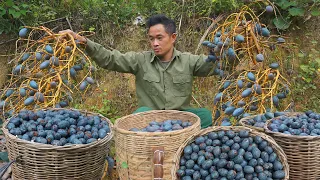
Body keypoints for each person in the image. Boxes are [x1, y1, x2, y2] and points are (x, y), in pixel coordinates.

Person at [59, 14, 218, 129]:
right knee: (138, 114)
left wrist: (230, 47)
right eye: (151, 38)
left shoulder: (189, 61)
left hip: (179, 119)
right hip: (150, 120)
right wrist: (82, 41)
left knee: (205, 115)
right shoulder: (140, 60)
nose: (154, 43)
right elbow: (110, 59)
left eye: (159, 38)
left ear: (173, 37)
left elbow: (215, 65)